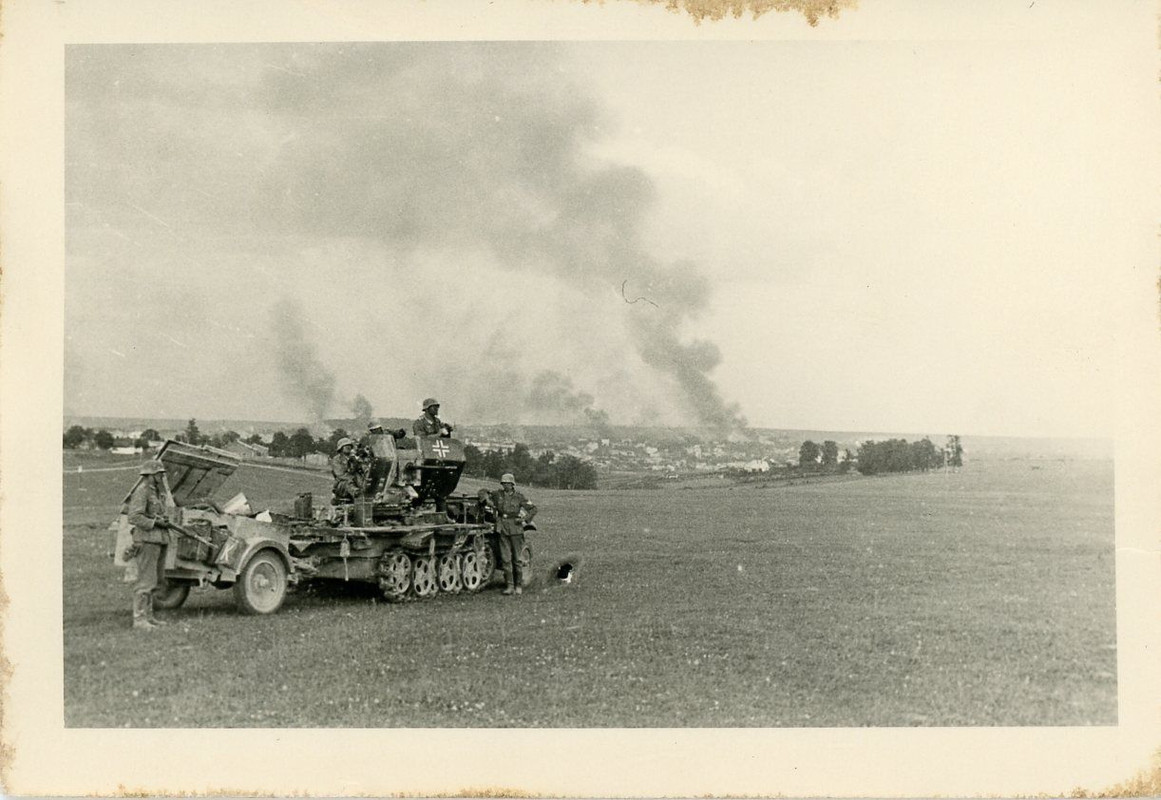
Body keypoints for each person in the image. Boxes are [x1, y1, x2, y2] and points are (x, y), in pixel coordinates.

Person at [125, 460, 173, 631]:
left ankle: (149, 616)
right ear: (151, 475)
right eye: (159, 474)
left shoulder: (156, 491)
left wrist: (162, 520)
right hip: (146, 541)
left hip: (159, 540)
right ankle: (139, 619)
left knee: (155, 580)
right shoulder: (142, 491)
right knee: (145, 581)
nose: (162, 477)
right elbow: (134, 517)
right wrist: (155, 523)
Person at [492, 473, 537, 596]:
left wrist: (524, 519)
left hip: (516, 529)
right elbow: (484, 493)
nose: (505, 485)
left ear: (512, 484)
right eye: (503, 483)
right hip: (503, 529)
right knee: (506, 559)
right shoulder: (498, 495)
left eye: (507, 483)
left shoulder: (519, 497)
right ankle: (509, 586)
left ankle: (518, 585)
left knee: (517, 559)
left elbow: (533, 509)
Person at [330, 437, 363, 503]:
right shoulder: (336, 459)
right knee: (347, 483)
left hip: (355, 483)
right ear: (341, 448)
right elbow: (341, 474)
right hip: (341, 485)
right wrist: (353, 478)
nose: (348, 447)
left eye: (349, 445)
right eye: (346, 446)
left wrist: (358, 462)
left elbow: (360, 470)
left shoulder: (353, 459)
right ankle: (357, 493)